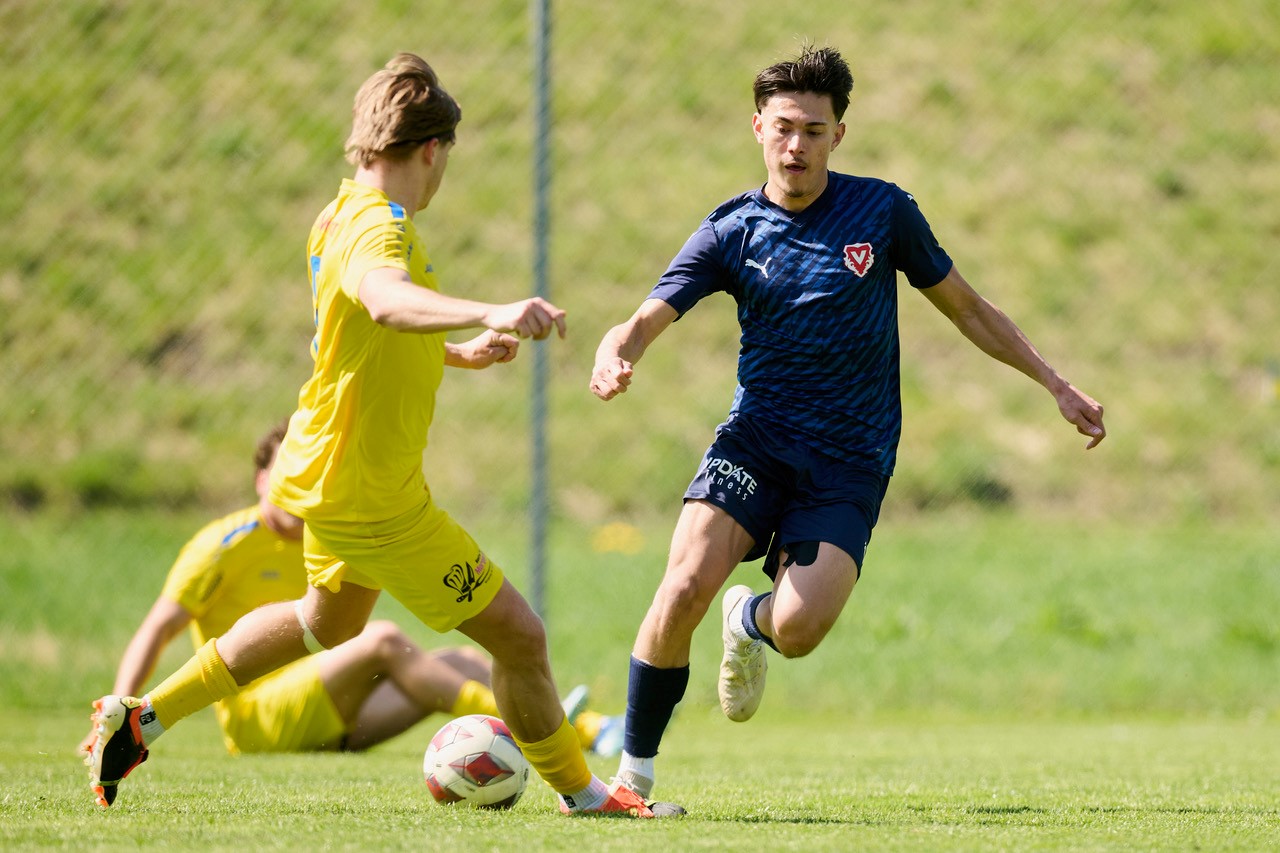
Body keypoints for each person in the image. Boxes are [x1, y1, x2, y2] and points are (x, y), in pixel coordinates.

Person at [86, 52, 670, 818]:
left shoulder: (336, 214)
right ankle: (586, 795)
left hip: (329, 472)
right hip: (374, 493)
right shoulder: (379, 228)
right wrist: (490, 310)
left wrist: (457, 352)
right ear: (430, 149)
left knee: (322, 622)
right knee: (519, 635)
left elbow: (354, 338)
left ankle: (143, 718)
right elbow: (385, 300)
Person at [588, 44, 1107, 802]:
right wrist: (616, 352)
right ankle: (632, 779)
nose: (796, 145)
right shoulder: (732, 229)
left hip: (850, 457)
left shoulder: (882, 212)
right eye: (784, 127)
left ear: (839, 134)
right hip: (756, 441)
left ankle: (751, 621)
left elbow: (968, 308)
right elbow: (643, 318)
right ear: (758, 127)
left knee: (799, 632)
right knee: (684, 583)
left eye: (814, 130)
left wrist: (1053, 383)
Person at [78, 421, 621, 758]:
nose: (301, 484)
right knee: (383, 639)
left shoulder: (330, 533)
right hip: (259, 721)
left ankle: (593, 731)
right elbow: (157, 629)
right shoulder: (221, 545)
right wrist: (121, 706)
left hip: (330, 714)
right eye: (288, 472)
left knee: (459, 658)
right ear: (263, 480)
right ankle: (531, 737)